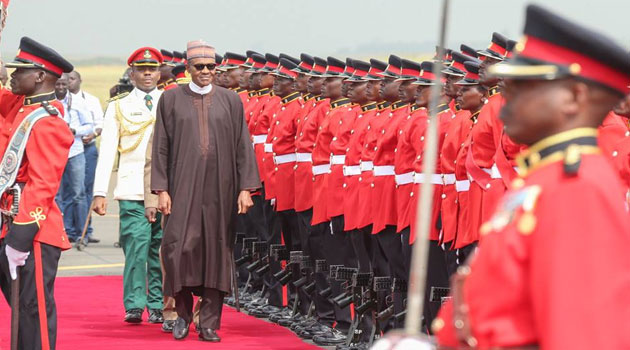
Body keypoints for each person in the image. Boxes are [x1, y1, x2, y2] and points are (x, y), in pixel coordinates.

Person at [434, 5, 630, 349]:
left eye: (524, 88)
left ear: (574, 97)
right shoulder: (546, 177)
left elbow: (579, 334)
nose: (505, 101)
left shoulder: (577, 189)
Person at [151, 40, 260, 342]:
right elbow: (160, 146)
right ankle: (183, 316)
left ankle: (209, 323)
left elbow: (243, 147)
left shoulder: (230, 100)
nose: (206, 72)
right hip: (182, 187)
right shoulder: (170, 100)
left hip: (221, 189)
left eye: (211, 67)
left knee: (216, 252)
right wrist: (161, 189)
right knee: (178, 250)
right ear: (187, 68)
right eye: (199, 67)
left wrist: (246, 188)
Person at [0, 36, 74, 350]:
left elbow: (43, 185)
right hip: (9, 223)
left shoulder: (47, 121)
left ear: (40, 76)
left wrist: (19, 238)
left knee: (34, 312)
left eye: (19, 71)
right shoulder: (21, 105)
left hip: (32, 232)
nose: (11, 76)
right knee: (21, 312)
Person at [92, 47, 165, 324]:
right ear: (131, 73)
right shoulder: (118, 106)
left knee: (159, 249)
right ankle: (135, 303)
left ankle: (157, 302)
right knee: (136, 246)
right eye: (142, 69)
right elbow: (108, 151)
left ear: (159, 73)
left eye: (153, 69)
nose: (147, 74)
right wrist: (100, 192)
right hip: (132, 188)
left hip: (163, 190)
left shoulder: (170, 101)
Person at [55, 73, 94, 244]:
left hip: (75, 152)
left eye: (64, 84)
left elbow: (89, 126)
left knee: (78, 194)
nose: (61, 88)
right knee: (56, 196)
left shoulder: (78, 102)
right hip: (55, 153)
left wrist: (74, 131)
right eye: (58, 84)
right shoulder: (48, 102)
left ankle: (82, 233)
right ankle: (60, 231)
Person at [67, 70, 103, 243]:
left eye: (73, 79)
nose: (70, 82)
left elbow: (99, 123)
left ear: (80, 80)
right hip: (70, 149)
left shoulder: (91, 100)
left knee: (86, 190)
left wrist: (93, 134)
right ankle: (70, 230)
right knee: (68, 191)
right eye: (68, 79)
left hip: (87, 148)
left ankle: (86, 230)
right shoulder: (61, 100)